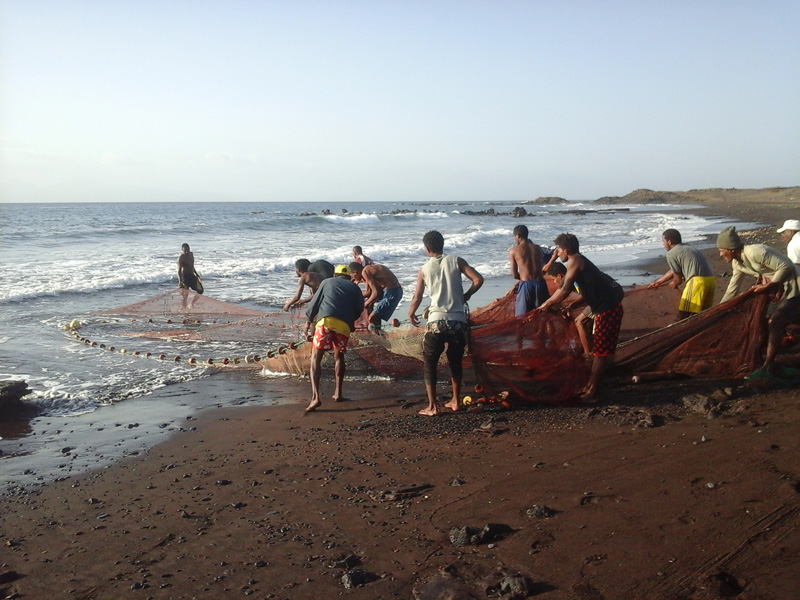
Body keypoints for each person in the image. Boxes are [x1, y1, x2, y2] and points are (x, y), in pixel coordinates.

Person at [538, 233, 624, 402]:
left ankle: (592, 392)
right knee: (601, 351)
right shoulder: (577, 261)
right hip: (604, 308)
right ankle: (591, 386)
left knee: (600, 353)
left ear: (567, 250)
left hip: (607, 309)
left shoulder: (574, 261)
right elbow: (584, 292)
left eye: (559, 250)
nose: (557, 253)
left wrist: (547, 304)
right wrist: (571, 306)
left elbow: (565, 289)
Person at [408, 230, 484, 416]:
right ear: (443, 244)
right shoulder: (456, 261)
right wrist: (466, 296)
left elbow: (417, 296)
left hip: (435, 322)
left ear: (426, 249)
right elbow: (478, 279)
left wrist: (411, 313)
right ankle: (456, 401)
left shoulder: (424, 269)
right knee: (455, 361)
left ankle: (432, 407)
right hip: (457, 321)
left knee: (430, 363)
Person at [717, 225, 800, 373]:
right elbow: (732, 288)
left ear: (731, 249)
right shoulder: (737, 263)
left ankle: (768, 362)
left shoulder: (755, 252)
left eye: (722, 251)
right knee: (765, 318)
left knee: (776, 320)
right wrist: (719, 309)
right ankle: (769, 352)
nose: (720, 255)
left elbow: (786, 266)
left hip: (795, 285)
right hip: (780, 289)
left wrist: (769, 285)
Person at [303, 264, 365, 413]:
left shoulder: (326, 282)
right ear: (349, 276)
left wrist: (308, 322)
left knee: (315, 358)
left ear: (335, 275)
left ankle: (315, 398)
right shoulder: (355, 288)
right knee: (339, 357)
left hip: (326, 321)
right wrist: (350, 322)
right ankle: (338, 393)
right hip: (343, 325)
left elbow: (315, 303)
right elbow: (359, 308)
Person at [648, 229, 716, 320]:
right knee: (703, 315)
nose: (662, 244)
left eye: (663, 241)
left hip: (697, 283)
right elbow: (673, 270)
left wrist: (674, 284)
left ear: (669, 242)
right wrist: (658, 282)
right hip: (711, 280)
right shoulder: (687, 248)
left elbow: (678, 280)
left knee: (684, 314)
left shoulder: (671, 254)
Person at [545, 261, 594, 355]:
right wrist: (571, 306)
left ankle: (587, 353)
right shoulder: (572, 278)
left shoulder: (573, 280)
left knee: (579, 322)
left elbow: (584, 295)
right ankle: (589, 347)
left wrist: (571, 306)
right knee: (586, 322)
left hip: (601, 301)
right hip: (595, 300)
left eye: (553, 279)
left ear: (559, 276)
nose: (554, 282)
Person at [509, 224, 550, 316]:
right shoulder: (537, 248)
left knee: (522, 316)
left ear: (517, 236)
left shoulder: (514, 251)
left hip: (526, 284)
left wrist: (523, 277)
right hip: (540, 283)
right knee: (543, 314)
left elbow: (514, 274)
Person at [348, 262, 403, 330]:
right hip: (394, 291)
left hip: (392, 293)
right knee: (373, 310)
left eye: (353, 276)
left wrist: (365, 304)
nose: (354, 279)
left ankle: (377, 336)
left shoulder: (365, 272)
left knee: (372, 317)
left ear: (356, 272)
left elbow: (376, 293)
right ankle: (378, 333)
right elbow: (369, 292)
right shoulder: (368, 270)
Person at [177, 243, 203, 309]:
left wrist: (197, 275)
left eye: (188, 249)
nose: (186, 251)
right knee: (185, 295)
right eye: (185, 250)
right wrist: (180, 281)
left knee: (200, 290)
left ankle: (191, 303)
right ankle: (183, 308)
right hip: (184, 277)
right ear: (182, 250)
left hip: (191, 275)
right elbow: (179, 271)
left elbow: (192, 266)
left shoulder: (191, 254)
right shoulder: (181, 257)